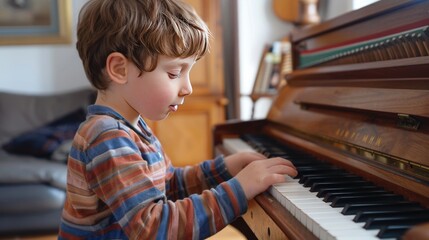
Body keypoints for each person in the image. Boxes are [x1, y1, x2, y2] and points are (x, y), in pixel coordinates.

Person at [58, 0, 297, 239]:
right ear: (120, 69)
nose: (188, 88)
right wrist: (239, 189)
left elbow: (169, 185)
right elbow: (154, 229)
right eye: (174, 73)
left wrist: (223, 170)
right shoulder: (106, 137)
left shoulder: (131, 127)